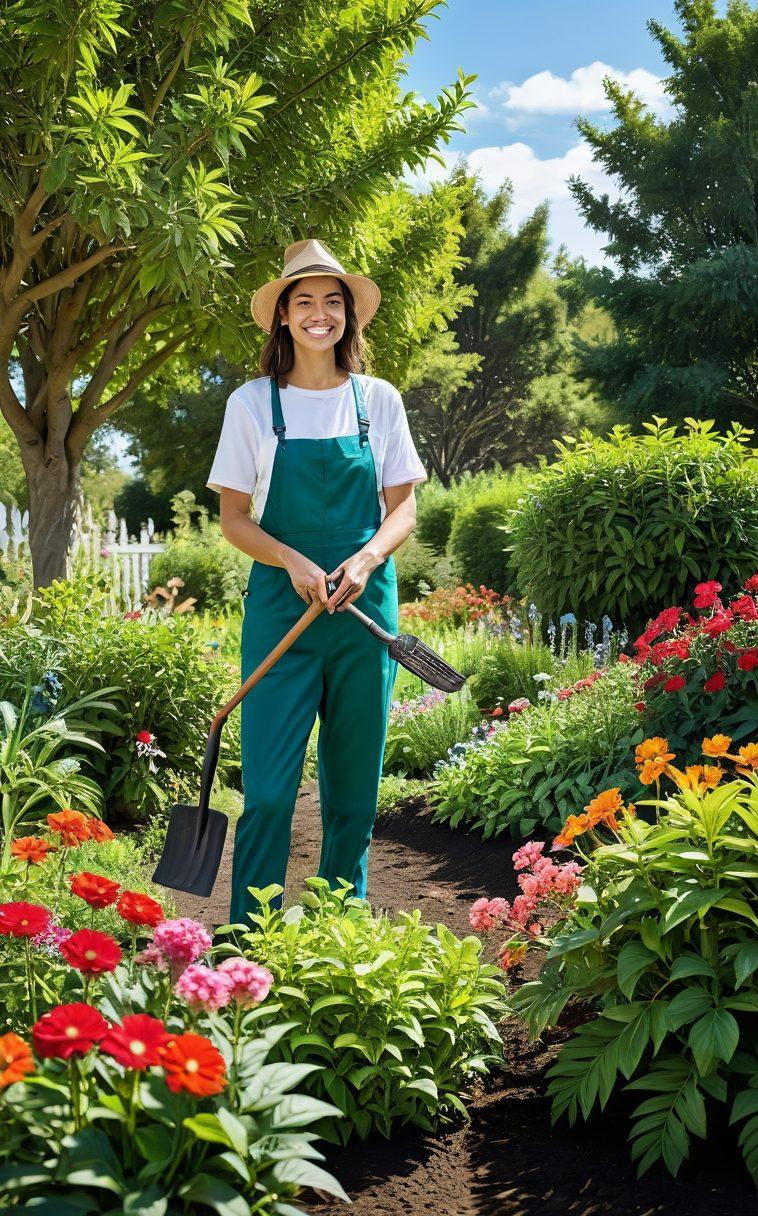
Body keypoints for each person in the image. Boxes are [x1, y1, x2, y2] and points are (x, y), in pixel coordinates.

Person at [206, 238, 427, 924]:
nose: (320, 314)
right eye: (305, 301)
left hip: (364, 612)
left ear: (348, 317)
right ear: (282, 316)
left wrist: (364, 560)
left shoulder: (377, 400)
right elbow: (235, 520)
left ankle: (340, 935)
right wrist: (292, 561)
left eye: (333, 302)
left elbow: (404, 508)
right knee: (269, 791)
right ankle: (248, 939)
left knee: (354, 791)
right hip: (283, 609)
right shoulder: (250, 404)